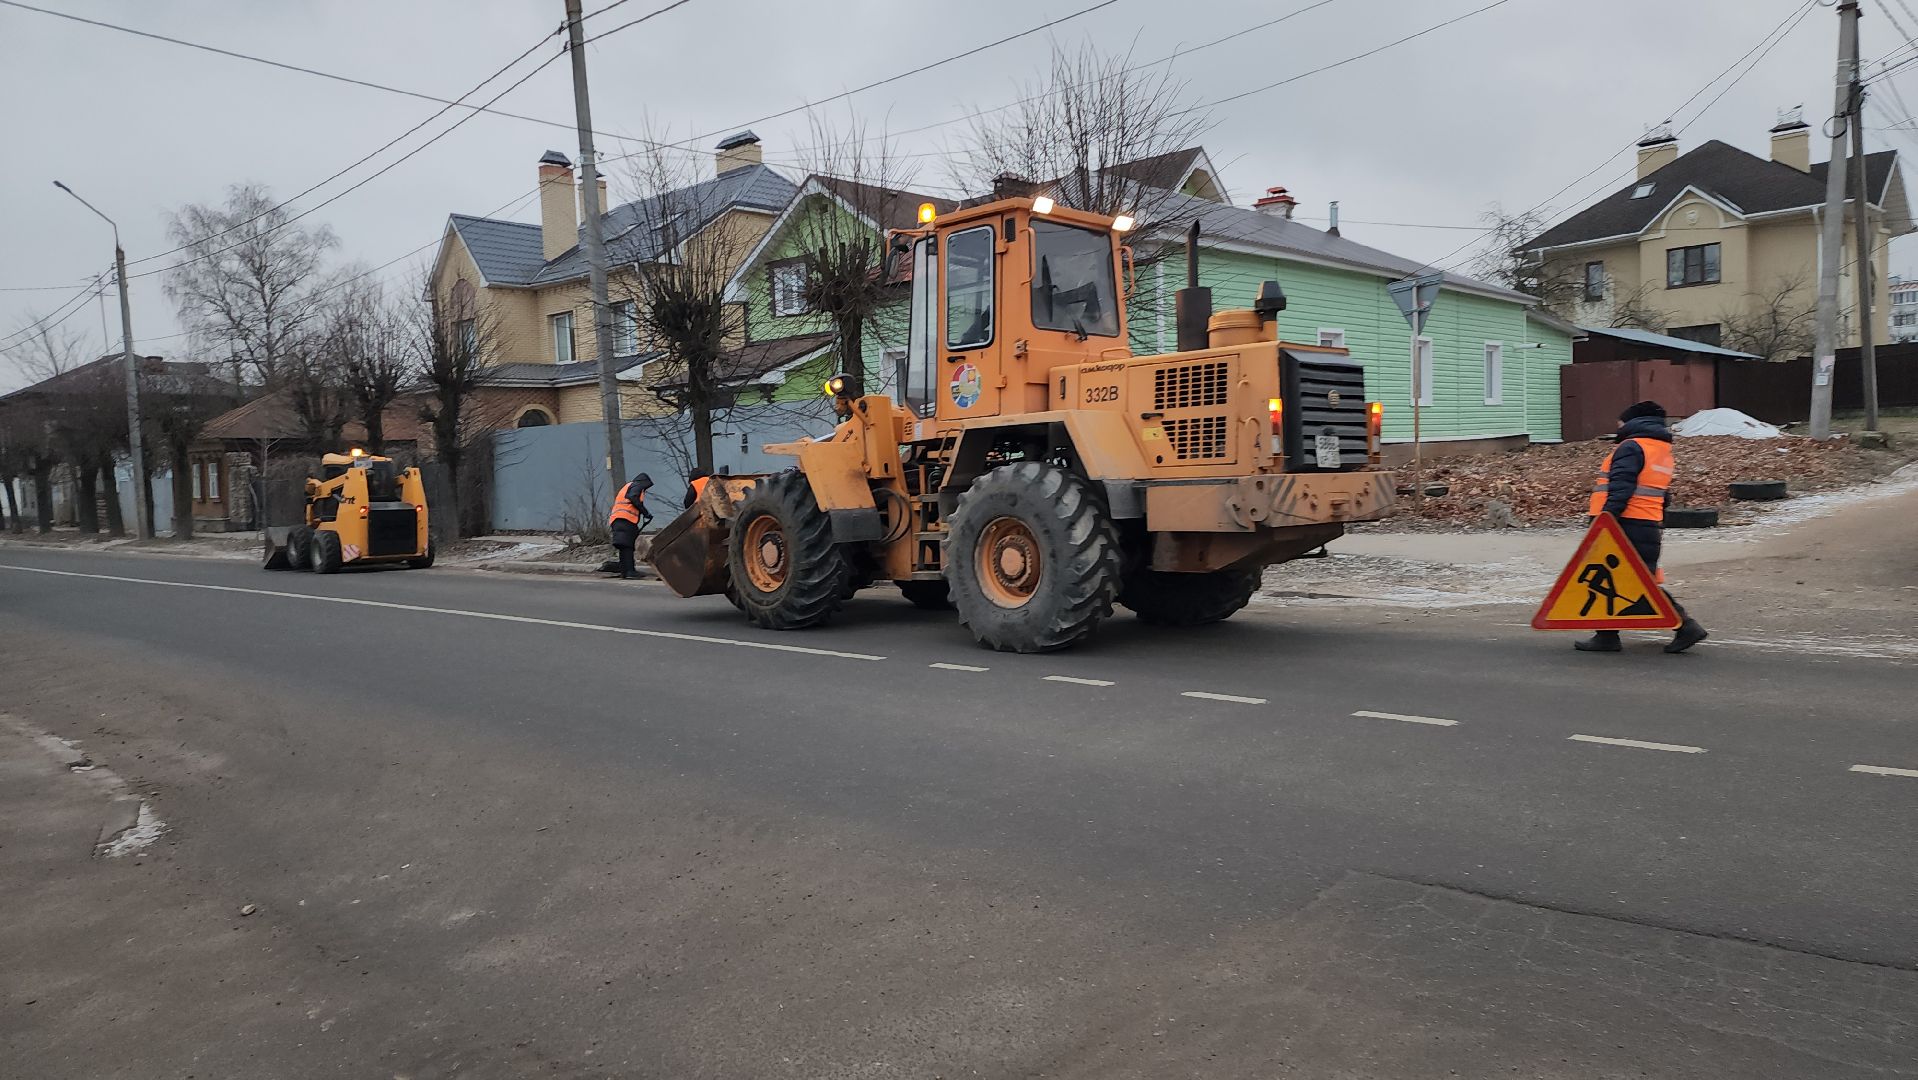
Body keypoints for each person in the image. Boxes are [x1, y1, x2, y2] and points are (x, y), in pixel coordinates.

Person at [1575, 401, 1709, 654]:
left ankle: (1685, 626)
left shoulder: (1631, 447)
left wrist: (1606, 519)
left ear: (1632, 422)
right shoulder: (1660, 450)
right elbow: (1662, 494)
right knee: (1621, 579)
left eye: (1620, 423)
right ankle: (1606, 634)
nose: (1618, 427)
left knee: (1633, 580)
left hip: (1624, 522)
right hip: (1646, 522)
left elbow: (1621, 487)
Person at [606, 472, 653, 580]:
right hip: (625, 519)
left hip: (617, 519)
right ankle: (630, 571)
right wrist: (645, 512)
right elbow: (633, 497)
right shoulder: (637, 486)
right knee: (627, 546)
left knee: (624, 546)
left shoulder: (627, 486)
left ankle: (625, 571)